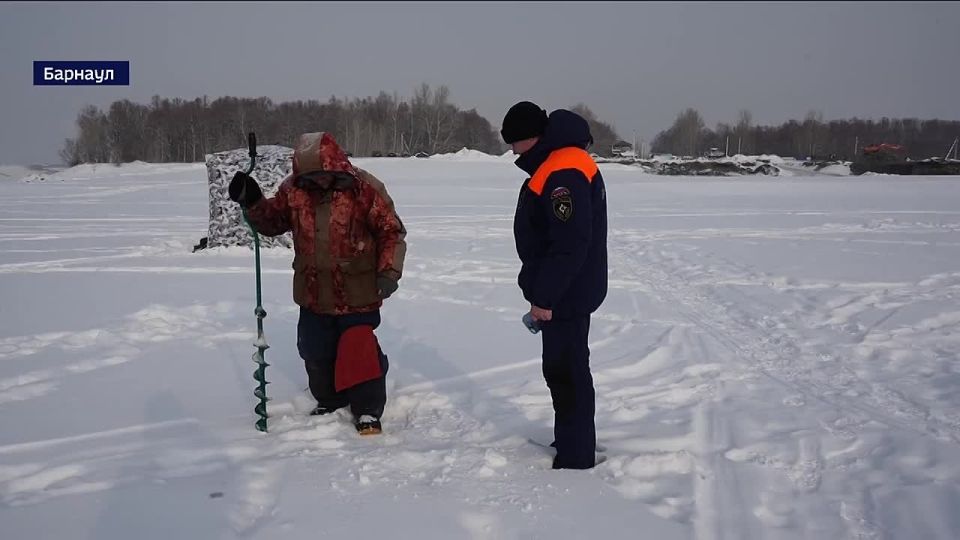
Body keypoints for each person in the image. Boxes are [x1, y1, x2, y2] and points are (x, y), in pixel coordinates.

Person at [228, 132, 407, 435]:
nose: (319, 182)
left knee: (357, 350)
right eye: (311, 176)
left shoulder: (365, 189)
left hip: (358, 289)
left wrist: (388, 272)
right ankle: (330, 399)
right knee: (315, 350)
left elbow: (391, 232)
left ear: (336, 165)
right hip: (313, 292)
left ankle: (367, 410)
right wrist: (254, 201)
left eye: (323, 175)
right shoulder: (293, 190)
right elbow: (273, 223)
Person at [501, 101, 608, 469]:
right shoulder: (559, 163)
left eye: (513, 142)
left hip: (566, 294)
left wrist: (545, 297)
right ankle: (571, 438)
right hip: (566, 290)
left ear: (530, 139)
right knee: (564, 368)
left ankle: (576, 456)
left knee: (567, 371)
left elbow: (569, 244)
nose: (512, 151)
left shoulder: (563, 172)